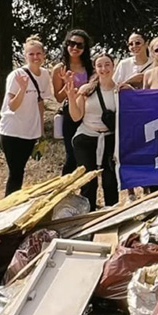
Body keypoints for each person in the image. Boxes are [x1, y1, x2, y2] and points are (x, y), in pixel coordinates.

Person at [0, 36, 55, 195]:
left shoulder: (44, 75)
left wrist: (41, 130)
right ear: (25, 56)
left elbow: (40, 102)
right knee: (15, 172)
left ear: (43, 55)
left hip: (30, 132)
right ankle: (8, 207)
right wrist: (22, 88)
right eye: (31, 54)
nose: (35, 57)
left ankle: (13, 203)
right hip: (12, 131)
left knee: (20, 171)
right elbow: (12, 106)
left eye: (38, 53)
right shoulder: (16, 75)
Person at [68, 53, 120, 210]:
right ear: (95, 68)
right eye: (100, 65)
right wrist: (71, 97)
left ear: (113, 66)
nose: (104, 69)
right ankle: (87, 214)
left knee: (110, 181)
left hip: (109, 139)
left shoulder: (120, 90)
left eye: (107, 65)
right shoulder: (87, 90)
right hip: (87, 137)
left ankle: (112, 214)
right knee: (88, 181)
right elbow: (76, 116)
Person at [53, 29, 91, 177]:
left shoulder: (90, 67)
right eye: (71, 43)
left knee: (87, 156)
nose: (75, 48)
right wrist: (67, 84)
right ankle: (65, 191)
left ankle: (86, 194)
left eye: (79, 45)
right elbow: (58, 98)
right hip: (70, 113)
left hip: (88, 113)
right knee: (72, 155)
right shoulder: (59, 69)